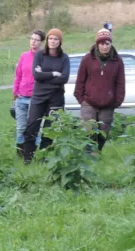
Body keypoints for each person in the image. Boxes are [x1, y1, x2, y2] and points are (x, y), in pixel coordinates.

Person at [21, 28, 68, 163]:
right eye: (51, 39)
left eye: (56, 39)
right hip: (39, 97)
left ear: (60, 42)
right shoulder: (40, 55)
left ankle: (44, 158)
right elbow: (36, 75)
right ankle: (28, 158)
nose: (53, 41)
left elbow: (64, 78)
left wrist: (44, 76)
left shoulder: (64, 58)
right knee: (31, 128)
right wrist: (53, 74)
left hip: (56, 98)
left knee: (50, 130)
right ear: (47, 40)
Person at [74, 28, 124, 152]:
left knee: (103, 132)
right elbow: (80, 80)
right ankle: (88, 155)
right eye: (102, 43)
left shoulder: (117, 61)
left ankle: (98, 153)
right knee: (90, 130)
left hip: (108, 104)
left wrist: (116, 101)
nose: (105, 46)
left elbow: (120, 83)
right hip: (89, 102)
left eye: (107, 43)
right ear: (97, 44)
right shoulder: (87, 59)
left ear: (111, 44)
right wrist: (81, 99)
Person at [11, 30, 43, 146]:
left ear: (41, 42)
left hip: (35, 98)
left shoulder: (43, 57)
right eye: (32, 39)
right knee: (20, 128)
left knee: (35, 128)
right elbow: (18, 75)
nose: (33, 41)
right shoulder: (24, 56)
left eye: (36, 40)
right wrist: (15, 92)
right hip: (21, 97)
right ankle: (20, 151)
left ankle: (36, 152)